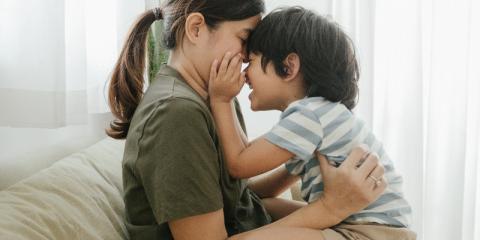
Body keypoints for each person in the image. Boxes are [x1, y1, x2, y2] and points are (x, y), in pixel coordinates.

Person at [106, 1, 386, 239]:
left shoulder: (215, 96)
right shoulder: (176, 114)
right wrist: (331, 208)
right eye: (244, 39)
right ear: (196, 29)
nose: (246, 58)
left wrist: (303, 162)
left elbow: (237, 198)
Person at [208, 7, 416, 240]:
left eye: (253, 61)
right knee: (265, 206)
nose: (245, 73)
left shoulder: (309, 115)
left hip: (369, 231)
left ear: (289, 67)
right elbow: (258, 189)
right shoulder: (318, 114)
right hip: (366, 223)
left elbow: (239, 164)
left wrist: (221, 99)